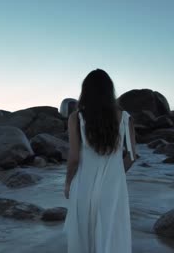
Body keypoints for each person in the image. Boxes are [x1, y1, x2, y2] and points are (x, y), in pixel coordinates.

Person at [63, 69, 137, 253]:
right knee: (111, 232)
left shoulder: (77, 118)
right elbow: (132, 156)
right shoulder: (125, 118)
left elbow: (73, 158)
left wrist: (67, 183)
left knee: (83, 234)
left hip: (83, 184)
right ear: (109, 91)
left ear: (85, 91)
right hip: (113, 187)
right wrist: (116, 173)